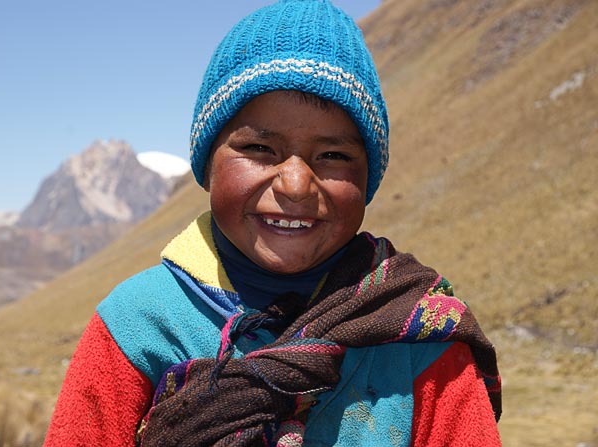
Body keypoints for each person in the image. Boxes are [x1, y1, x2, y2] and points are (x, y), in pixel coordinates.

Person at [43, 1, 502, 446]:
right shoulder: (136, 327)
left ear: (368, 179)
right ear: (206, 167)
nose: (297, 185)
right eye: (261, 149)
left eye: (333, 155)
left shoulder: (419, 336)